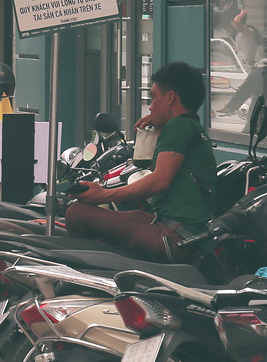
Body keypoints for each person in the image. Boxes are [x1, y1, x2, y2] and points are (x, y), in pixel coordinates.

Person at [66, 61, 217, 260]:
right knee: (134, 216)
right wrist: (157, 131)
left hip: (174, 235)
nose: (151, 107)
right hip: (177, 229)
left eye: (154, 98)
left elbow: (158, 180)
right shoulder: (191, 128)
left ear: (170, 97)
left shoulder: (179, 126)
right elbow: (154, 169)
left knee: (76, 214)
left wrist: (104, 194)